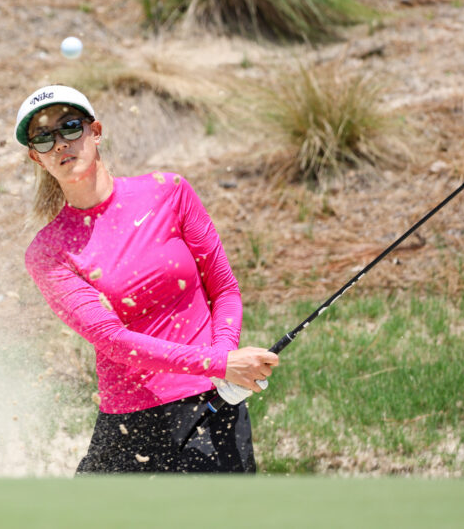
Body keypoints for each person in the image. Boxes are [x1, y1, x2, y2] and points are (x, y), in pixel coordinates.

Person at [15, 84, 279, 474]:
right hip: (133, 424)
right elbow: (114, 342)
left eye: (70, 127)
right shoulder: (49, 252)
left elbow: (224, 289)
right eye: (43, 137)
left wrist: (223, 369)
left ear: (96, 131)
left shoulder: (168, 192)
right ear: (37, 158)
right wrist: (219, 363)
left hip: (213, 403)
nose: (60, 143)